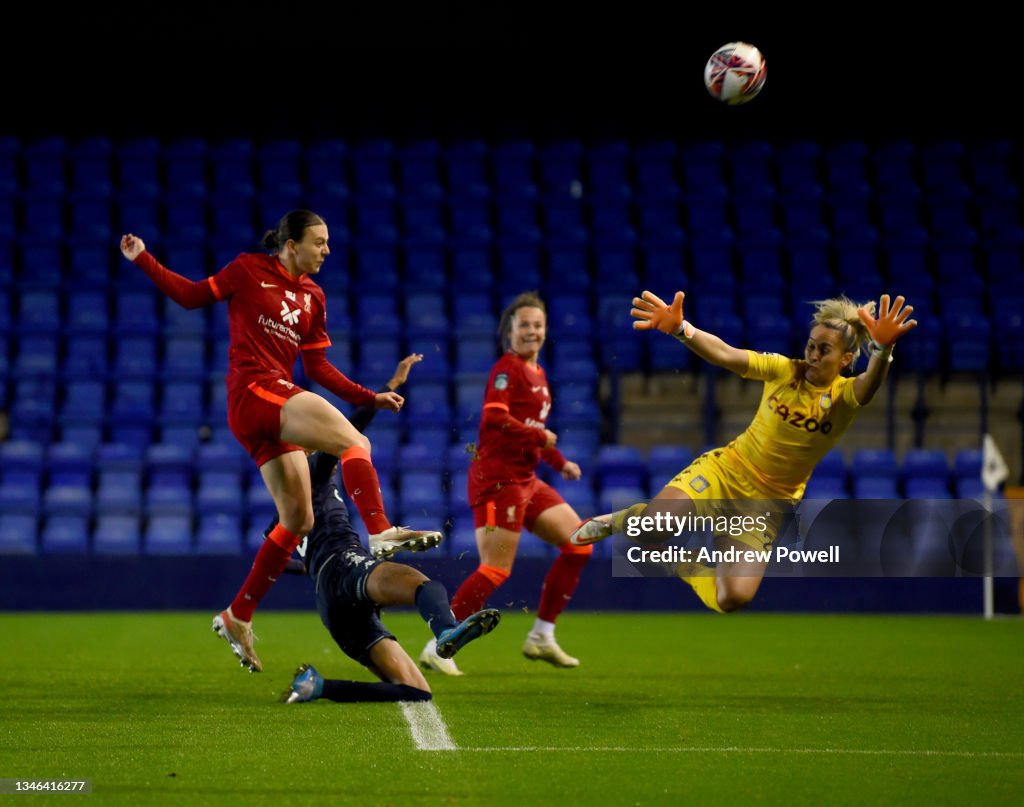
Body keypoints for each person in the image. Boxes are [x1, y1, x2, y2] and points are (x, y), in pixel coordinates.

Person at [119, 210, 442, 674]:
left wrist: (370, 395)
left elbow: (318, 370)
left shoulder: (314, 296)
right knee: (355, 444)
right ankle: (381, 530)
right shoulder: (249, 269)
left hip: (268, 410)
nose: (327, 249)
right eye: (319, 241)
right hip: (254, 392)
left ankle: (237, 616)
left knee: (298, 519)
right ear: (290, 244)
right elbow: (191, 296)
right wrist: (143, 258)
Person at [570, 290, 918, 614]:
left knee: (733, 597)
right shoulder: (784, 370)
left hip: (768, 502)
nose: (812, 355)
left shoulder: (844, 397)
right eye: (811, 345)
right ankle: (622, 518)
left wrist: (882, 351)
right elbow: (728, 355)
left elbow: (870, 385)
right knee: (650, 529)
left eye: (823, 350)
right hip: (727, 472)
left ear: (844, 359)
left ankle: (681, 563)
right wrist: (682, 329)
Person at [419, 291, 592, 675]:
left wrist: (560, 463)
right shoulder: (507, 369)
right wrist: (541, 439)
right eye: (524, 325)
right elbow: (493, 419)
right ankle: (439, 643)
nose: (532, 332)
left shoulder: (540, 375)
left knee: (579, 544)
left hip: (527, 480)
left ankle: (542, 635)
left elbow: (532, 432)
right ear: (509, 332)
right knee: (495, 568)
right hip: (497, 481)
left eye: (538, 325)